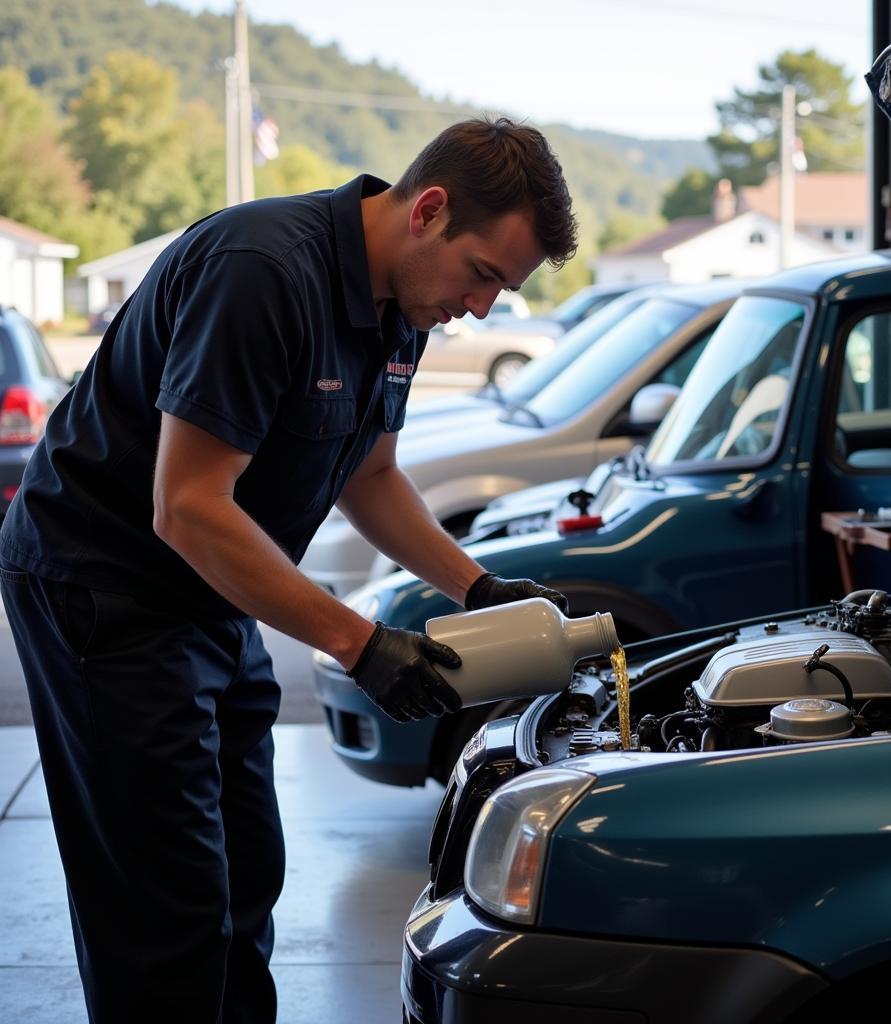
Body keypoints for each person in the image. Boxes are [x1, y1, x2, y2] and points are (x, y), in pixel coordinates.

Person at [0, 116, 577, 1023]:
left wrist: (476, 587)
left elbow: (371, 474)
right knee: (164, 910)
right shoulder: (262, 271)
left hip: (211, 593)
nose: (482, 309)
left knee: (244, 883)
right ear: (429, 210)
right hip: (105, 586)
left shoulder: (402, 305)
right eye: (485, 275)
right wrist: (359, 643)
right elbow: (186, 504)